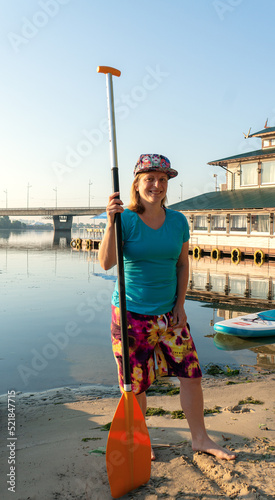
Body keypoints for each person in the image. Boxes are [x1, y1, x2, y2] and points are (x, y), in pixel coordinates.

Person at [98, 154, 236, 462]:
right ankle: (138, 441)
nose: (156, 185)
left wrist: (180, 305)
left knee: (191, 375)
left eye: (162, 179)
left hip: (170, 316)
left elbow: (182, 264)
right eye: (150, 179)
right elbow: (106, 263)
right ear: (137, 183)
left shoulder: (178, 221)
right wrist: (110, 223)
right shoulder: (126, 219)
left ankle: (200, 439)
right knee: (134, 385)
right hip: (131, 315)